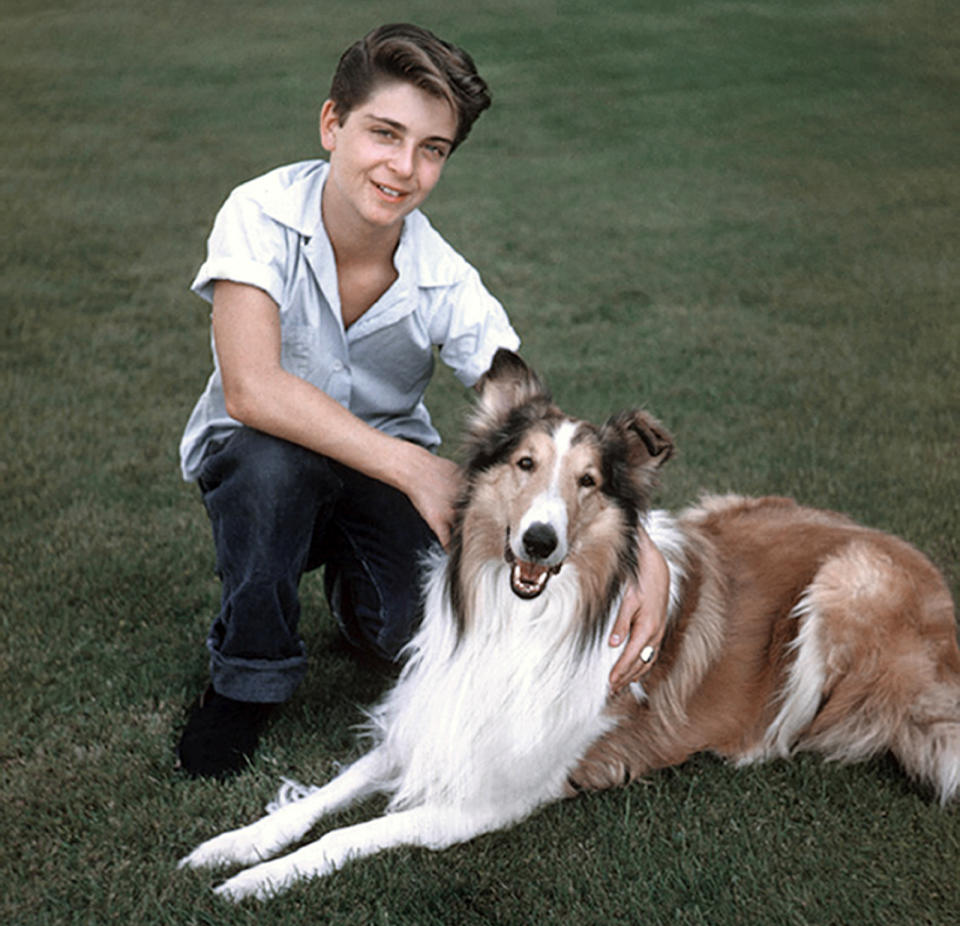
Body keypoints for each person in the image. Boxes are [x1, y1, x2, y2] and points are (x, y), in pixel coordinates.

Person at [175, 23, 669, 779]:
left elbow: (531, 417)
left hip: (375, 489)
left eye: (432, 149)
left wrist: (648, 556)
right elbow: (252, 388)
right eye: (384, 133)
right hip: (260, 464)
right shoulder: (259, 212)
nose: (402, 167)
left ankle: (354, 594)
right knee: (271, 466)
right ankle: (245, 681)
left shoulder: (442, 276)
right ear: (332, 124)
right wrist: (412, 467)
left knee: (404, 633)